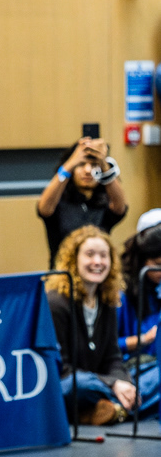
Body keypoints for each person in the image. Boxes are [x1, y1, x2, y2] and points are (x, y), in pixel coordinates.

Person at [45, 225, 137, 425]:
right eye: (90, 255)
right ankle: (121, 408)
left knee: (152, 376)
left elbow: (113, 358)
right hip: (69, 384)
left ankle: (107, 410)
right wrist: (113, 384)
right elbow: (61, 369)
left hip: (100, 382)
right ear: (73, 260)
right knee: (81, 385)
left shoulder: (109, 300)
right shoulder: (56, 302)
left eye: (104, 256)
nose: (98, 262)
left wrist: (124, 382)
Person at [37, 136, 127, 266]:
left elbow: (120, 208)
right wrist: (71, 162)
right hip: (63, 275)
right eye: (81, 165)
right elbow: (44, 208)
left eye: (94, 165)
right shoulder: (59, 202)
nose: (88, 170)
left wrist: (103, 164)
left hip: (96, 273)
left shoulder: (104, 203)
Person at [116, 210, 161, 414]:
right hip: (132, 370)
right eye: (158, 265)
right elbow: (104, 349)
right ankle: (119, 408)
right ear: (143, 260)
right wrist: (143, 339)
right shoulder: (121, 294)